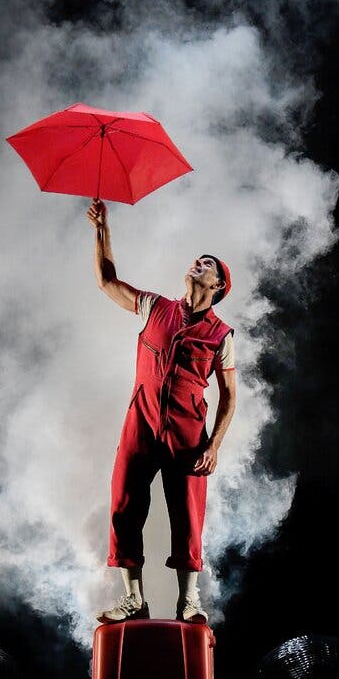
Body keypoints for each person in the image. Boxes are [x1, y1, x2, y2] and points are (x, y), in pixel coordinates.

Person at [87, 198, 236, 625]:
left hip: (188, 432)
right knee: (123, 504)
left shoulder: (221, 335)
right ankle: (134, 599)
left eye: (206, 264)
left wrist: (215, 443)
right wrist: (101, 230)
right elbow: (106, 281)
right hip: (142, 420)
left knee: (187, 515)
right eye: (197, 260)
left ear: (218, 284)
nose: (197, 264)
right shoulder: (156, 307)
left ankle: (189, 601)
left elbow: (229, 394)